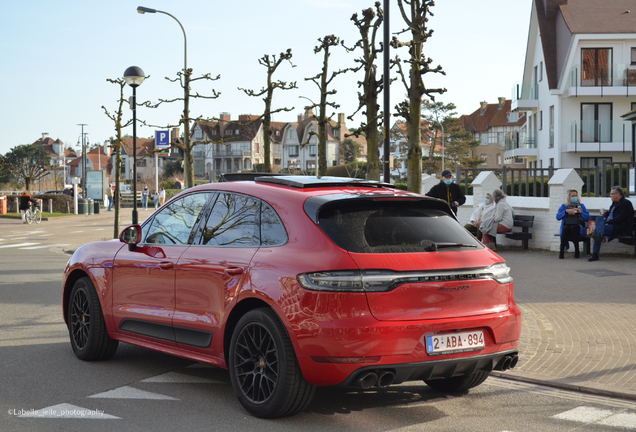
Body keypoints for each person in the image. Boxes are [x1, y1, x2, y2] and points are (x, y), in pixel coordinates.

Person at [588, 186, 635, 262]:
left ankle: (595, 254)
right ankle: (600, 235)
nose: (610, 196)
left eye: (612, 194)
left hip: (619, 227)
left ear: (618, 194)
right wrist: (606, 214)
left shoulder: (626, 203)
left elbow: (621, 217)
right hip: (610, 225)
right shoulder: (614, 204)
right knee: (598, 218)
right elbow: (611, 215)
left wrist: (607, 222)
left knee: (597, 230)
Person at [556, 189, 589, 259]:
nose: (574, 197)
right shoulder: (564, 206)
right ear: (569, 197)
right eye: (572, 196)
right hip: (567, 225)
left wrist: (580, 212)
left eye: (576, 195)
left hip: (577, 225)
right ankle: (561, 250)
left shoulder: (581, 205)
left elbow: (587, 216)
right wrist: (566, 211)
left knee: (573, 228)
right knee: (566, 228)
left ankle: (577, 250)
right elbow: (558, 217)